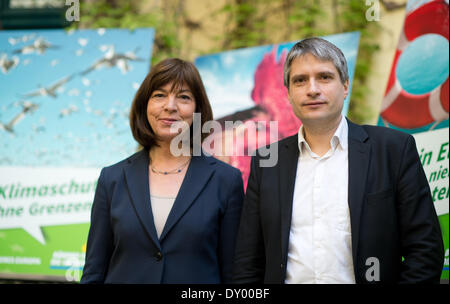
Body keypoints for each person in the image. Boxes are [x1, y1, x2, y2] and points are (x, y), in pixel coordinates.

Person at [232, 38, 444, 284]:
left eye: (324, 77)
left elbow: (425, 251)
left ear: (345, 86)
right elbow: (247, 262)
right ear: (288, 93)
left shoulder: (393, 150)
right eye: (300, 80)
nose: (312, 89)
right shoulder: (267, 161)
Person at [81, 58, 244, 284]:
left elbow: (234, 274)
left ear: (198, 109)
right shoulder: (112, 179)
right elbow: (94, 271)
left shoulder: (226, 180)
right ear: (144, 105)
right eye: (159, 95)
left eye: (184, 97)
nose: (170, 106)